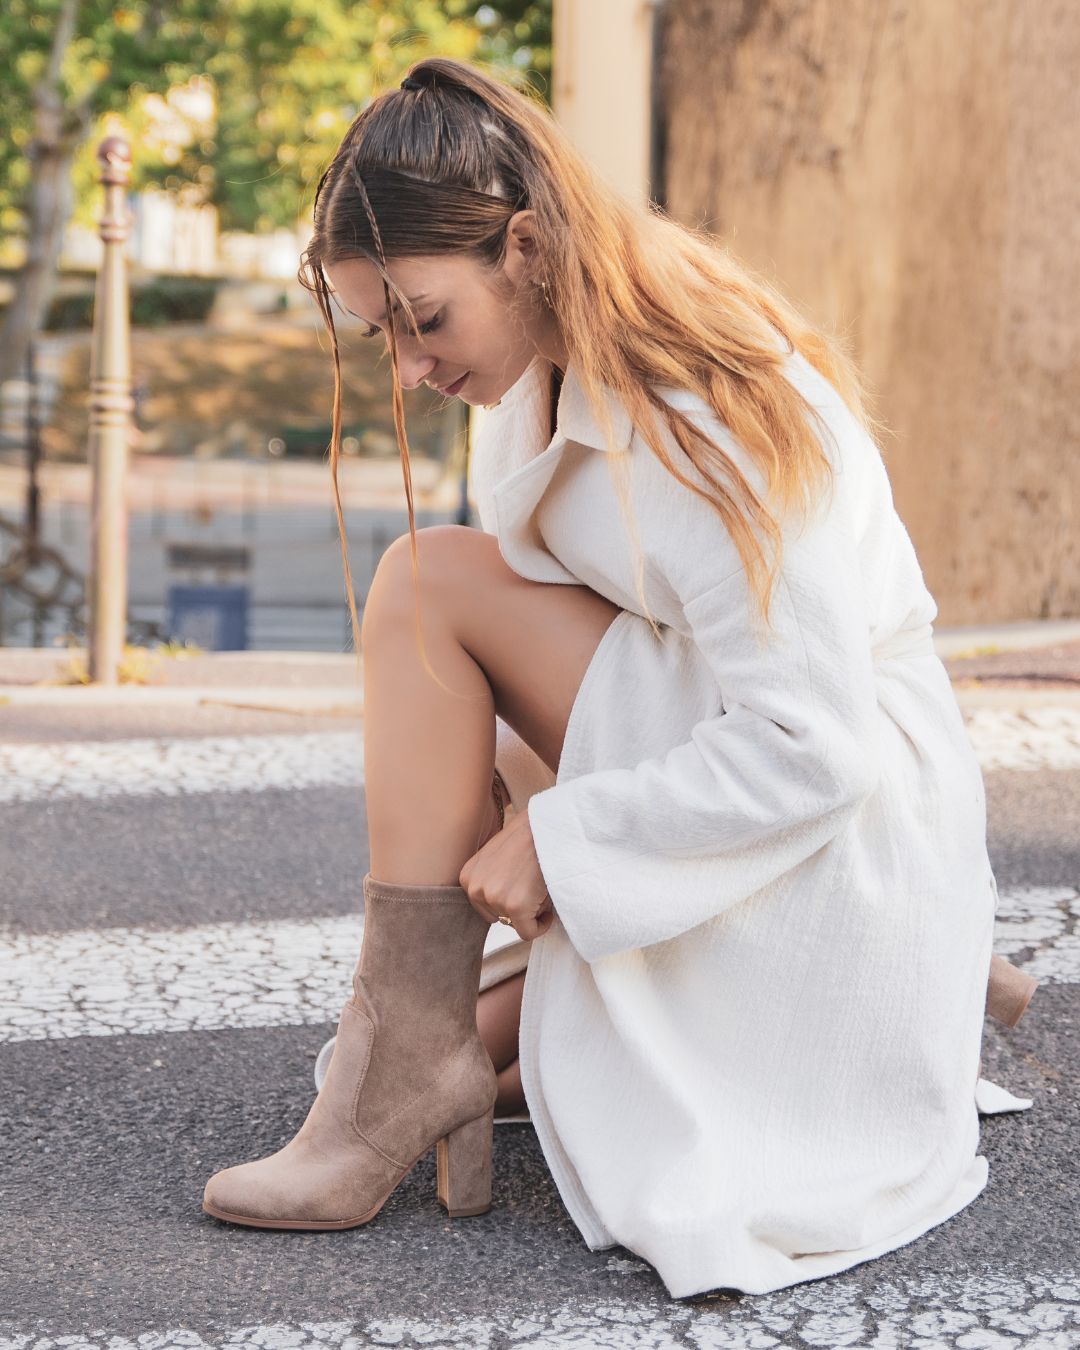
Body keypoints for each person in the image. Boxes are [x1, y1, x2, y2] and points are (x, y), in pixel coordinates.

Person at [201, 56, 1038, 1299]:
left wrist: (565, 836)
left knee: (429, 581)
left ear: (527, 247)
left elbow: (816, 740)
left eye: (425, 320)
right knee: (459, 1052)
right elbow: (608, 618)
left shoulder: (714, 401)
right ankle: (403, 1062)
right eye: (386, 334)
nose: (411, 370)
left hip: (837, 810)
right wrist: (516, 767)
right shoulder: (531, 368)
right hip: (728, 770)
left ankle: (894, 973)